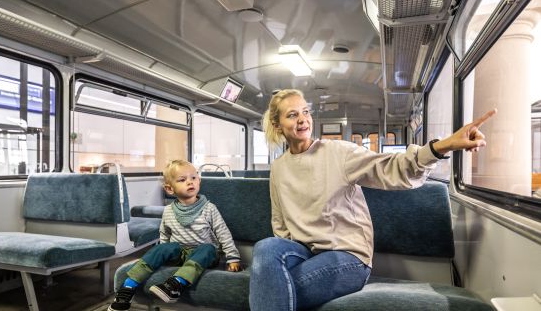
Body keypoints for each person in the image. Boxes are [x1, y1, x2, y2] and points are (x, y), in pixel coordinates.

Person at [249, 89, 497, 311]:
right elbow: (279, 221)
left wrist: (442, 147)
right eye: (292, 115)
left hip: (347, 257)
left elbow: (390, 167)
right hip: (304, 252)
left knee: (273, 290)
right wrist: (282, 264)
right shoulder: (279, 168)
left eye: (305, 112)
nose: (303, 119)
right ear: (278, 125)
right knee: (265, 248)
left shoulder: (338, 153)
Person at [109, 160, 242, 311]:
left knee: (208, 248)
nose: (190, 182)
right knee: (162, 248)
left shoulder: (209, 208)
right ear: (169, 189)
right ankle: (128, 287)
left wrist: (233, 257)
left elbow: (223, 233)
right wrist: (162, 255)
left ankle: (176, 283)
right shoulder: (168, 211)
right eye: (182, 180)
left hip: (204, 255)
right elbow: (164, 235)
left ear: (199, 181)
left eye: (193, 177)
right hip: (180, 253)